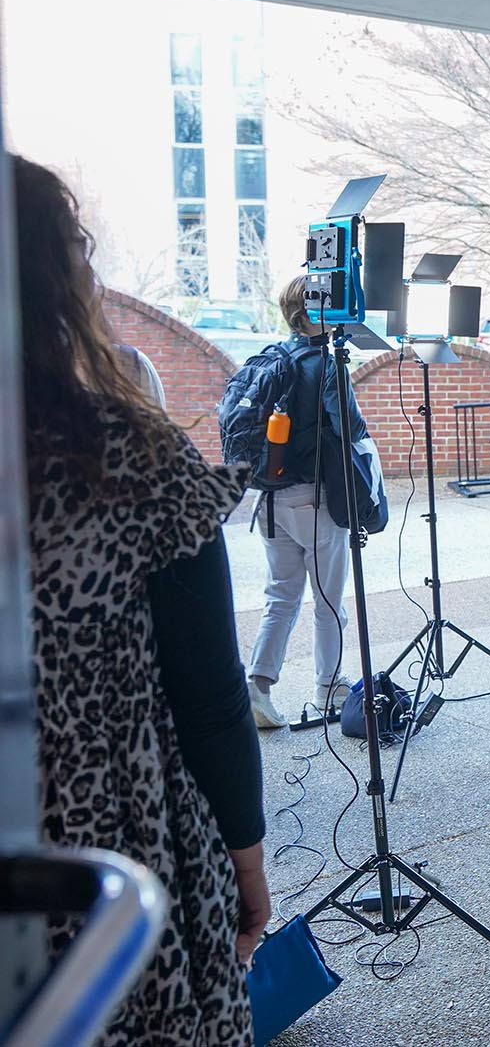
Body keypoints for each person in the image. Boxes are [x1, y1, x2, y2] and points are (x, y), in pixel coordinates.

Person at [16, 153, 267, 1043]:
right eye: (78, 242)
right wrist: (249, 862)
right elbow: (209, 696)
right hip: (117, 840)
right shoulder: (129, 458)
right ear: (53, 273)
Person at [243, 275, 360, 728]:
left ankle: (258, 687)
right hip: (314, 500)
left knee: (281, 597)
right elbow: (347, 428)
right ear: (320, 311)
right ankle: (330, 687)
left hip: (270, 501)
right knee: (328, 599)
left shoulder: (271, 359)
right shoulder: (325, 363)